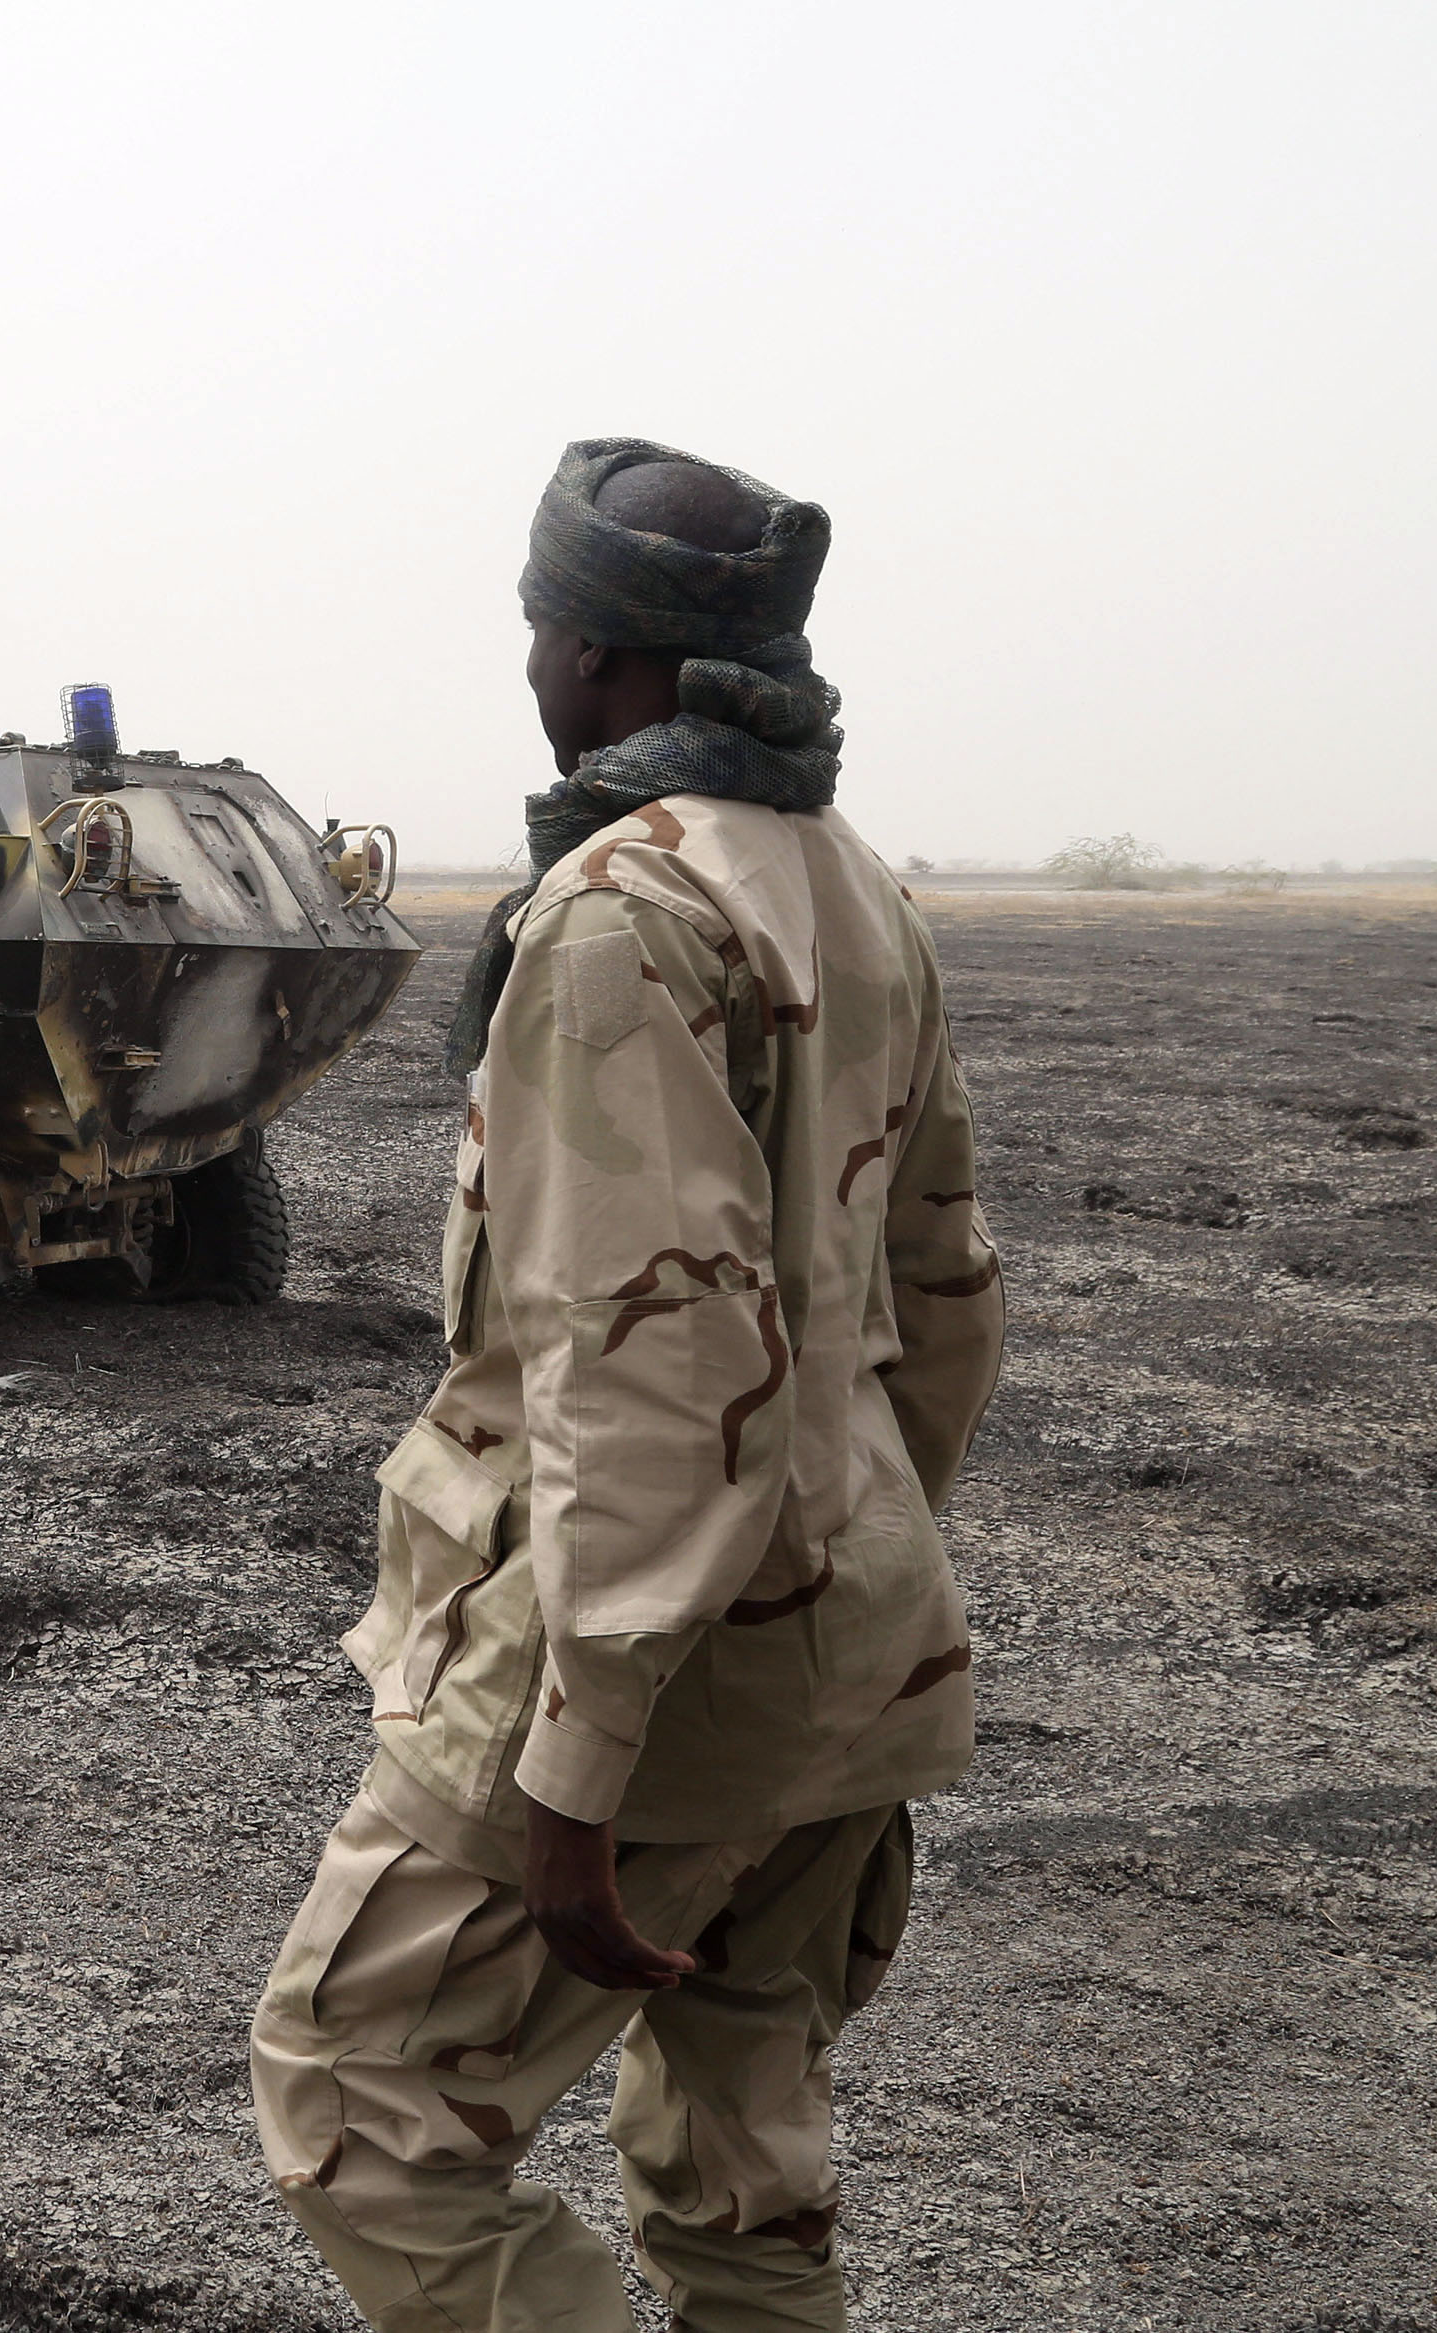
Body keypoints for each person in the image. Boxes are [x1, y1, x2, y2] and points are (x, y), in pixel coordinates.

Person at [247, 439, 1006, 2332]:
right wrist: (835, 1565)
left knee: (358, 2099)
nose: (528, 655)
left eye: (540, 621)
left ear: (596, 651)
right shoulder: (853, 886)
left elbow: (652, 1371)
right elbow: (948, 1292)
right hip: (853, 1644)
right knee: (746, 2180)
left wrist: (579, 1764)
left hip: (653, 1678)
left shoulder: (618, 914)